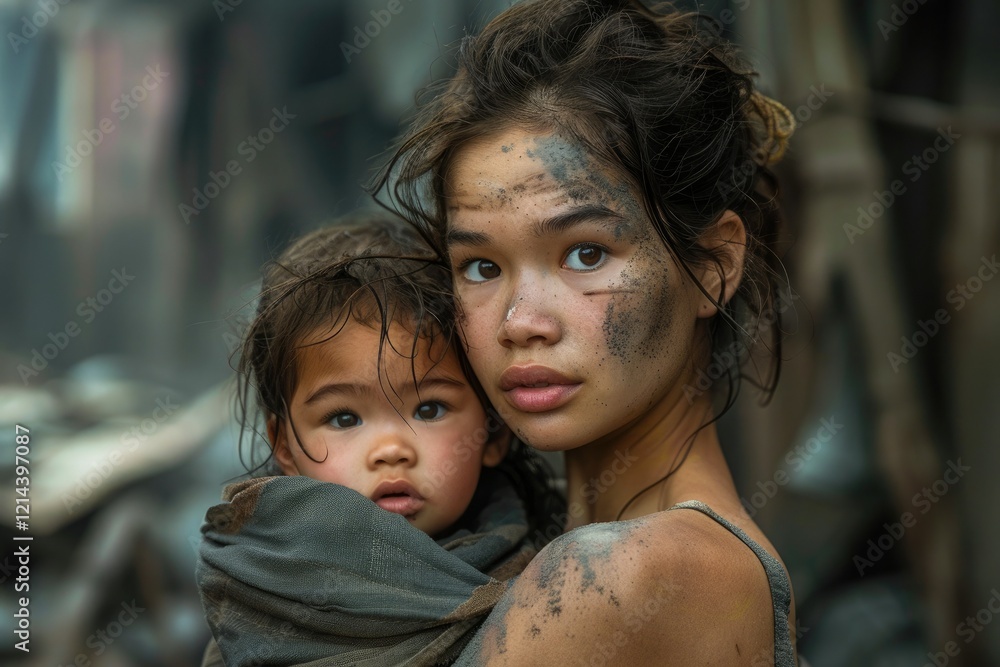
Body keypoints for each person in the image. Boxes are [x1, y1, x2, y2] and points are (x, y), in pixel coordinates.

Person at [375, 0, 801, 664]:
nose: (521, 324)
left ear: (713, 265)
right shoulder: (572, 550)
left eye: (586, 254)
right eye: (482, 266)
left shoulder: (618, 575)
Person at [196, 213, 563, 667]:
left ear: (493, 430)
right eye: (344, 417)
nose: (391, 450)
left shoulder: (550, 587)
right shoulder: (256, 586)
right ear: (285, 446)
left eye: (429, 409)